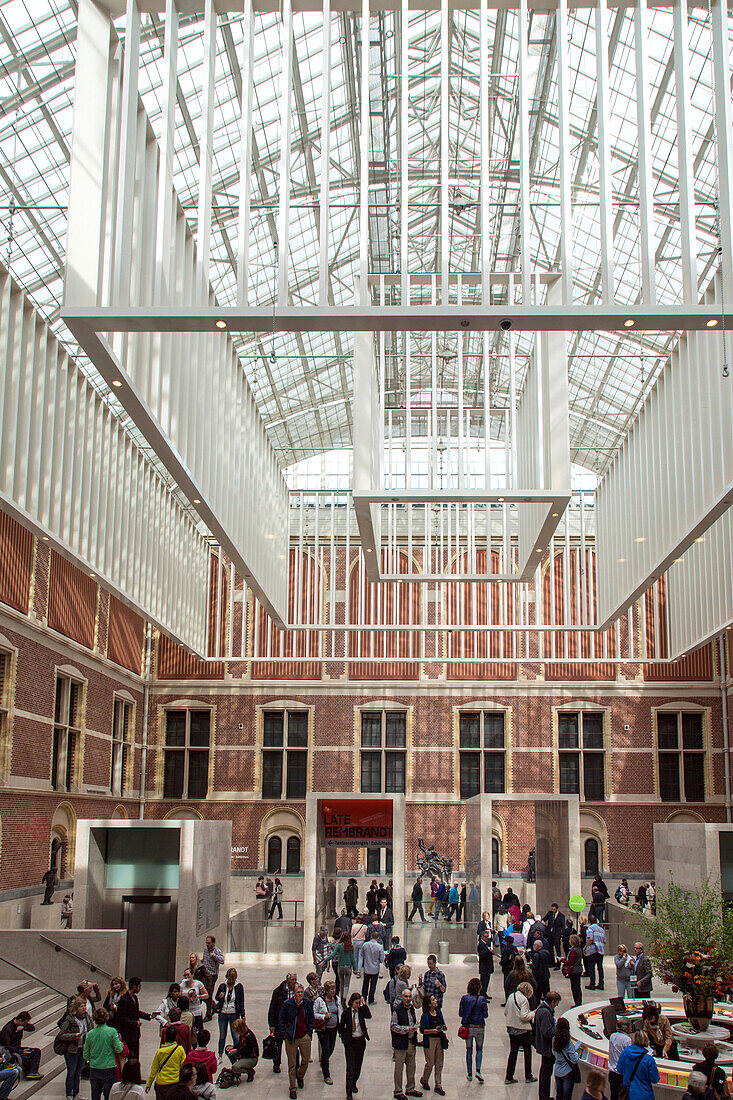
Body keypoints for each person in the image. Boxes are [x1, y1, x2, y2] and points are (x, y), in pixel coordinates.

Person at [278, 982, 313, 1100]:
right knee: (292, 1064)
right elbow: (281, 1019)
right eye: (298, 992)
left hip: (304, 1036)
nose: (300, 994)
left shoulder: (307, 1003)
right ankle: (292, 1088)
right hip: (291, 1038)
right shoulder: (287, 1004)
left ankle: (300, 1075)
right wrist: (284, 1034)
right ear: (294, 994)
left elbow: (311, 1018)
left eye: (302, 992)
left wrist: (309, 1033)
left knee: (305, 1060)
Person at [84, 1008, 124, 1100]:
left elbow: (85, 1054)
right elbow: (118, 1049)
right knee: (109, 1094)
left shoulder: (90, 1034)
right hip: (109, 1067)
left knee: (95, 1094)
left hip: (95, 1067)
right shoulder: (112, 1032)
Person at [57, 995, 91, 1100]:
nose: (84, 1008)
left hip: (82, 1048)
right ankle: (69, 1094)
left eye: (84, 1006)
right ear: (76, 1009)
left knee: (78, 1073)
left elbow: (90, 1029)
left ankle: (76, 1093)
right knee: (71, 1073)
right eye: (81, 1006)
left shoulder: (87, 1018)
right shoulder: (70, 1019)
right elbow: (61, 1035)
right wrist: (74, 1036)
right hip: (72, 1050)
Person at [391, 987, 422, 1100]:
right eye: (406, 997)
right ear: (402, 997)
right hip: (401, 1044)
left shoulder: (411, 1009)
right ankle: (398, 1091)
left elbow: (411, 1021)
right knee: (399, 1068)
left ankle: (410, 1088)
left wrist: (415, 1026)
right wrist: (406, 1029)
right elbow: (393, 1026)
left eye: (409, 996)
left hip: (411, 1042)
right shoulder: (397, 1010)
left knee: (411, 1067)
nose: (408, 999)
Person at [338, 991, 371, 1100]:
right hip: (350, 1043)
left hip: (360, 1041)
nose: (357, 1005)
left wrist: (363, 1003)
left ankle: (353, 1083)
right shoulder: (346, 1013)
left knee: (358, 1066)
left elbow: (369, 1016)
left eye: (358, 1003)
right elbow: (341, 1026)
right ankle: (348, 1092)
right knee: (350, 1068)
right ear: (351, 1002)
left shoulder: (361, 1011)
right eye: (356, 1003)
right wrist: (343, 1038)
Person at [504, 980, 536, 1084]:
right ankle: (528, 1076)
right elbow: (524, 1016)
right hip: (522, 1030)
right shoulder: (524, 1000)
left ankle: (509, 1076)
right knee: (527, 1053)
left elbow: (506, 1012)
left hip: (511, 1028)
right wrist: (532, 1013)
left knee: (513, 1052)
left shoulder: (511, 996)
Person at [267, 972, 297, 1074]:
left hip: (293, 1023)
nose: (294, 982)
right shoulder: (278, 991)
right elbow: (272, 1008)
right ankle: (276, 1064)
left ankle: (295, 1064)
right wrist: (271, 1024)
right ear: (287, 980)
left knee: (293, 1045)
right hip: (280, 1022)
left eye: (295, 980)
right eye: (292, 980)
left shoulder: (298, 991)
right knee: (278, 1045)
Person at [458, 977, 487, 1083]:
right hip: (479, 1027)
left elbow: (461, 1013)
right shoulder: (482, 999)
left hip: (468, 1027)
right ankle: (478, 1071)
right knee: (479, 1049)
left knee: (469, 1050)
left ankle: (469, 1073)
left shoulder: (464, 998)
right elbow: (486, 1015)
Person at [616, 1031, 660, 1100]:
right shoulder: (648, 1059)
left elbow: (620, 1069)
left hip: (628, 1094)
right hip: (645, 1095)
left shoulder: (625, 1052)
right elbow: (654, 1079)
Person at [313, 978, 342, 1085]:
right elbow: (314, 1014)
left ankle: (324, 1061)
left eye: (334, 989)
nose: (333, 991)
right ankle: (326, 1074)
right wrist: (323, 1016)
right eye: (331, 990)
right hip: (324, 1030)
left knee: (331, 1048)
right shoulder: (319, 1001)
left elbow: (340, 1011)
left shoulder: (336, 999)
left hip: (334, 1029)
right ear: (326, 990)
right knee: (325, 1049)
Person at [534, 991, 561, 1100]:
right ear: (553, 1001)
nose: (557, 1005)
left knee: (545, 1072)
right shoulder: (545, 1013)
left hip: (544, 1046)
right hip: (546, 1047)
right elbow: (547, 1031)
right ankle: (544, 1096)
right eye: (556, 1003)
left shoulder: (542, 1009)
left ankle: (544, 1095)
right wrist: (557, 1028)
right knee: (546, 1074)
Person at [115, 978, 151, 1061]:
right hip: (127, 1034)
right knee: (130, 1057)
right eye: (139, 986)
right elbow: (121, 1018)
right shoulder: (124, 1000)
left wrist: (148, 1016)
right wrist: (134, 1023)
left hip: (134, 1033)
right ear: (134, 986)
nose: (140, 988)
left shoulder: (134, 997)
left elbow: (135, 1012)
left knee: (135, 1056)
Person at [0, 1010, 42, 1079]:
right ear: (20, 1020)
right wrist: (21, 1052)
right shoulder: (8, 1029)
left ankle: (33, 1072)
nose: (25, 1024)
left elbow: (32, 1028)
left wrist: (23, 1027)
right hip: (12, 1050)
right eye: (24, 1023)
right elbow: (7, 1046)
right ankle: (30, 1072)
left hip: (18, 1047)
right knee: (25, 1057)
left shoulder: (21, 1025)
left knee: (36, 1051)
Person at [419, 993, 446, 1096]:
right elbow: (423, 1030)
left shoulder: (438, 1012)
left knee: (439, 1063)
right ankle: (424, 1079)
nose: (436, 1001)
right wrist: (432, 1031)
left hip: (439, 1039)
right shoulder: (425, 1015)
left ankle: (438, 1085)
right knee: (430, 1063)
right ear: (429, 1004)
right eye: (433, 1000)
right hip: (430, 1040)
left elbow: (443, 1023)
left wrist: (443, 1027)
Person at [214, 968, 244, 1057]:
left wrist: (243, 1014)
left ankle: (237, 1053)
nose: (230, 981)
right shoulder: (222, 986)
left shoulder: (239, 987)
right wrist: (220, 997)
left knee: (235, 1035)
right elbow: (216, 998)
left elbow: (241, 1001)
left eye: (232, 979)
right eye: (229, 979)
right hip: (223, 1012)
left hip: (233, 1013)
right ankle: (220, 1055)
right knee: (222, 1035)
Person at [553, 1016, 580, 1100]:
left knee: (559, 1095)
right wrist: (576, 1053)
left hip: (557, 1071)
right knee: (567, 1096)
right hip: (567, 1073)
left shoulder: (554, 1040)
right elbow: (574, 1060)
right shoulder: (568, 1043)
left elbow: (553, 1053)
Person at [607, 1019, 633, 1100]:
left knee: (614, 1096)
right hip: (622, 1075)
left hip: (612, 1074)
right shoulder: (627, 1040)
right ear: (626, 1028)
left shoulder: (612, 1036)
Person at [201, 936, 225, 1022]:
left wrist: (214, 956)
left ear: (213, 943)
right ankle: (213, 1006)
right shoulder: (205, 950)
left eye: (209, 943)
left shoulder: (217, 951)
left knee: (209, 993)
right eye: (206, 943)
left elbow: (222, 960)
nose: (207, 945)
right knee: (203, 993)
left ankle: (208, 1014)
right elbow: (204, 961)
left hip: (212, 976)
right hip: (204, 975)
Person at [226, 1017, 258, 1082]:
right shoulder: (242, 1034)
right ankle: (237, 1070)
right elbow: (240, 1044)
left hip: (251, 1058)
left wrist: (236, 1051)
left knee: (234, 1067)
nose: (237, 1033)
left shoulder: (249, 1036)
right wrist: (233, 1047)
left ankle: (249, 1071)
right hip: (243, 1054)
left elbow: (248, 1051)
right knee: (227, 1049)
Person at [326, 932, 356, 1001]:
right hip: (348, 966)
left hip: (340, 966)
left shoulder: (339, 946)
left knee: (341, 982)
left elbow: (332, 955)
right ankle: (344, 997)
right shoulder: (350, 946)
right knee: (347, 983)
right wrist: (355, 968)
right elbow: (353, 958)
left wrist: (325, 961)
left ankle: (341, 995)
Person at [180, 969, 207, 1039]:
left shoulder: (198, 984)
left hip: (196, 1010)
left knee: (198, 1029)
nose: (186, 977)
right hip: (187, 1010)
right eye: (185, 975)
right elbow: (179, 997)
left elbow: (206, 995)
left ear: (192, 975)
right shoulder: (182, 985)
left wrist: (199, 996)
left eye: (188, 975)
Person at [361, 931, 385, 1004]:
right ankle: (371, 999)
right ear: (378, 938)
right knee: (373, 985)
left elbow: (362, 954)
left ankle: (363, 998)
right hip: (375, 969)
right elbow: (381, 959)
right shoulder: (379, 947)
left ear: (371, 936)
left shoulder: (365, 945)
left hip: (367, 967)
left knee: (365, 983)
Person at [585, 917, 606, 991]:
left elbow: (590, 939)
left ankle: (592, 984)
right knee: (600, 967)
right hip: (600, 950)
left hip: (593, 950)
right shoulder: (601, 929)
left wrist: (585, 947)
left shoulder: (590, 928)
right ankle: (601, 984)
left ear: (590, 922)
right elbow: (604, 941)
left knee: (591, 967)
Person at [563, 934, 584, 1007]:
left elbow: (570, 962)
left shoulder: (573, 951)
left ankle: (577, 1003)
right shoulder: (579, 949)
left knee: (574, 987)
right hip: (579, 969)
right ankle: (579, 1001)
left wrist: (562, 960)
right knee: (578, 986)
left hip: (574, 970)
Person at [543, 904, 566, 968]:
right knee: (550, 948)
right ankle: (551, 962)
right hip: (550, 933)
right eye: (552, 909)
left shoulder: (561, 916)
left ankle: (558, 963)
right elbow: (544, 919)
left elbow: (563, 926)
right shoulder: (549, 914)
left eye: (554, 909)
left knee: (557, 949)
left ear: (557, 909)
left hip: (557, 934)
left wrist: (562, 935)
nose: (553, 910)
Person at [477, 929, 494, 998]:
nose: (487, 938)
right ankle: (482, 993)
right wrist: (489, 952)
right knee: (483, 981)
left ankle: (484, 992)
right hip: (484, 966)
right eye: (486, 937)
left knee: (487, 981)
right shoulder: (481, 944)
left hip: (487, 966)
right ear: (482, 937)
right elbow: (482, 955)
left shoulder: (486, 944)